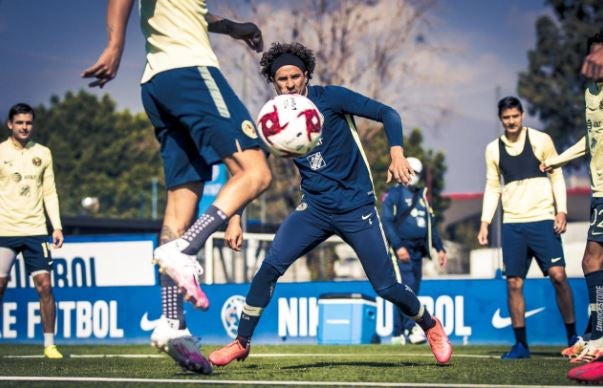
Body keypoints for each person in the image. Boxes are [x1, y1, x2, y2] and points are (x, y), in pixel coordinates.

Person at [208, 41, 453, 367]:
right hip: (316, 210)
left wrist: (396, 151)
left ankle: (431, 326)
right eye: (282, 79)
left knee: (387, 286)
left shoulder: (331, 99)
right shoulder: (274, 117)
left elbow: (387, 113)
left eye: (295, 76)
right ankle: (241, 341)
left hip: (357, 208)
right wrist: (236, 216)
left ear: (306, 74)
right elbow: (250, 172)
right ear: (273, 82)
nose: (290, 84)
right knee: (268, 268)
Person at [83, 0, 272, 373]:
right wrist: (115, 45)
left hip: (157, 85)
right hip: (189, 71)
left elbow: (194, 14)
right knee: (256, 171)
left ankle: (172, 323)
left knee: (180, 200)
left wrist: (234, 28)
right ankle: (185, 250)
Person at [477, 96, 577, 359]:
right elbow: (492, 186)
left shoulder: (541, 140)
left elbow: (556, 175)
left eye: (515, 116)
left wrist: (562, 210)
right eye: (506, 118)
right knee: (513, 283)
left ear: (522, 115)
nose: (511, 121)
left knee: (558, 275)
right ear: (501, 119)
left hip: (543, 220)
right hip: (512, 224)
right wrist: (485, 221)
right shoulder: (493, 149)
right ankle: (521, 345)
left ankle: (573, 339)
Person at [540, 31, 603, 383]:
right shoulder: (591, 93)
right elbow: (592, 137)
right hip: (598, 190)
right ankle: (595, 336)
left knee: (591, 260)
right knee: (594, 261)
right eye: (591, 55)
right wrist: (558, 160)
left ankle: (598, 337)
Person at [0, 103, 64, 359]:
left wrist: (56, 226)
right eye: (19, 123)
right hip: (4, 230)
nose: (24, 127)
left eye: (28, 123)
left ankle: (49, 345)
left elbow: (49, 192)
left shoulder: (43, 153)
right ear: (10, 125)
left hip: (36, 230)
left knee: (45, 286)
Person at [381, 157, 447, 345]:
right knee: (404, 290)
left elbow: (430, 225)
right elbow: (386, 222)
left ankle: (408, 330)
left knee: (413, 290)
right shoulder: (394, 195)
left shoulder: (422, 196)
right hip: (402, 250)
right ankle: (400, 332)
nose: (414, 176)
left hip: (419, 251)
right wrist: (398, 246)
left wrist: (439, 248)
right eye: (411, 172)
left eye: (417, 173)